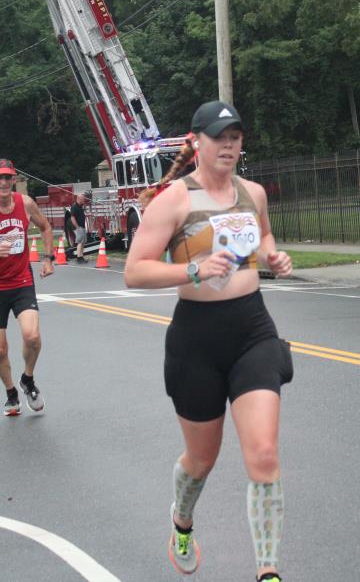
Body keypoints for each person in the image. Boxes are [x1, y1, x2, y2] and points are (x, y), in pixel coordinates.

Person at [125, 101, 293, 582]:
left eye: (235, 137)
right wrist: (192, 269)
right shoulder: (174, 200)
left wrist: (273, 257)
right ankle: (182, 520)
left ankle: (267, 571)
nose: (229, 145)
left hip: (252, 331)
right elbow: (135, 272)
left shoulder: (252, 192)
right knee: (201, 459)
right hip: (196, 340)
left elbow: (264, 236)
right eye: (220, 137)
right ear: (196, 142)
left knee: (264, 456)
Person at [0, 158, 55, 416]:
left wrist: (48, 258)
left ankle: (28, 380)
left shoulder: (25, 203)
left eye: (8, 177)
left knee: (32, 337)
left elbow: (46, 226)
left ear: (14, 179)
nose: (4, 182)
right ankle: (11, 393)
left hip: (21, 281)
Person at [70, 193, 88, 263]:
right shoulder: (74, 207)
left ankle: (81, 256)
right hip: (78, 227)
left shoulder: (80, 207)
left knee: (83, 242)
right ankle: (78, 257)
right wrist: (77, 227)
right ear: (79, 199)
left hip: (82, 227)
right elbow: (72, 218)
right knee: (80, 242)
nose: (84, 201)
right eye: (83, 199)